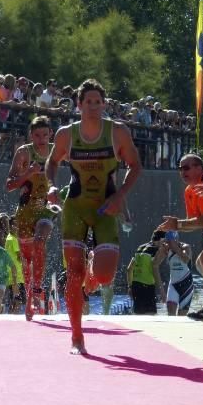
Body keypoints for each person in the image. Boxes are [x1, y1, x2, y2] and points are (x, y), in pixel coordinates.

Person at [46, 79, 142, 355]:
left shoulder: (118, 132)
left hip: (105, 209)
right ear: (78, 105)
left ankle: (93, 267)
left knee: (103, 274)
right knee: (73, 276)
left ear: (104, 104)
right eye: (87, 102)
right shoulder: (67, 134)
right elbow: (52, 162)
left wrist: (120, 196)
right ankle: (77, 338)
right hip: (75, 207)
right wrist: (52, 186)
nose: (93, 106)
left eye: (97, 102)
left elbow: (136, 166)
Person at [157, 153, 203, 320]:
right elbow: (195, 222)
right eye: (180, 168)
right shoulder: (189, 191)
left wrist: (178, 224)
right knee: (201, 262)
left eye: (186, 168)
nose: (182, 172)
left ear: (199, 168)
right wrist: (178, 225)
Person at [5, 116, 55, 320]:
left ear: (50, 133)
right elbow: (9, 185)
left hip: (46, 207)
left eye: (45, 135)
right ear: (30, 135)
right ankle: (29, 299)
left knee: (40, 241)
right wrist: (28, 173)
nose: (41, 139)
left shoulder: (56, 150)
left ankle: (36, 289)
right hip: (25, 210)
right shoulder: (24, 152)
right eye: (37, 135)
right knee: (26, 259)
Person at [126, 230, 164, 315]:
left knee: (139, 317)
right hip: (147, 286)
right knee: (150, 317)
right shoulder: (155, 249)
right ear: (161, 240)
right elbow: (155, 269)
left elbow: (129, 269)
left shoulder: (140, 248)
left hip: (135, 286)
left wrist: (130, 286)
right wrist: (162, 291)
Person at [159, 230, 194, 316]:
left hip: (186, 285)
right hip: (173, 284)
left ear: (175, 240)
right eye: (167, 242)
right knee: (171, 314)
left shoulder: (186, 247)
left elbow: (186, 260)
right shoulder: (167, 249)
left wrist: (176, 249)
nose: (168, 244)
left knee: (181, 316)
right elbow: (155, 264)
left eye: (169, 242)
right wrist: (161, 249)